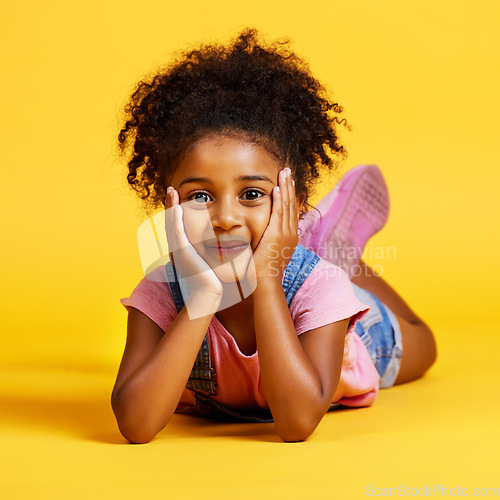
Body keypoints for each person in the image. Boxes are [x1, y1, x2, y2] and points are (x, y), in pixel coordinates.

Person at [111, 28, 437, 444]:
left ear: (293, 201)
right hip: (254, 283)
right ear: (169, 203)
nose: (224, 217)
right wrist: (204, 296)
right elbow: (136, 424)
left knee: (424, 345)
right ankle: (326, 242)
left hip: (351, 336)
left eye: (251, 194)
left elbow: (297, 422)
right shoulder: (162, 290)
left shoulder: (318, 288)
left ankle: (339, 256)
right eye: (201, 195)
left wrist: (267, 280)